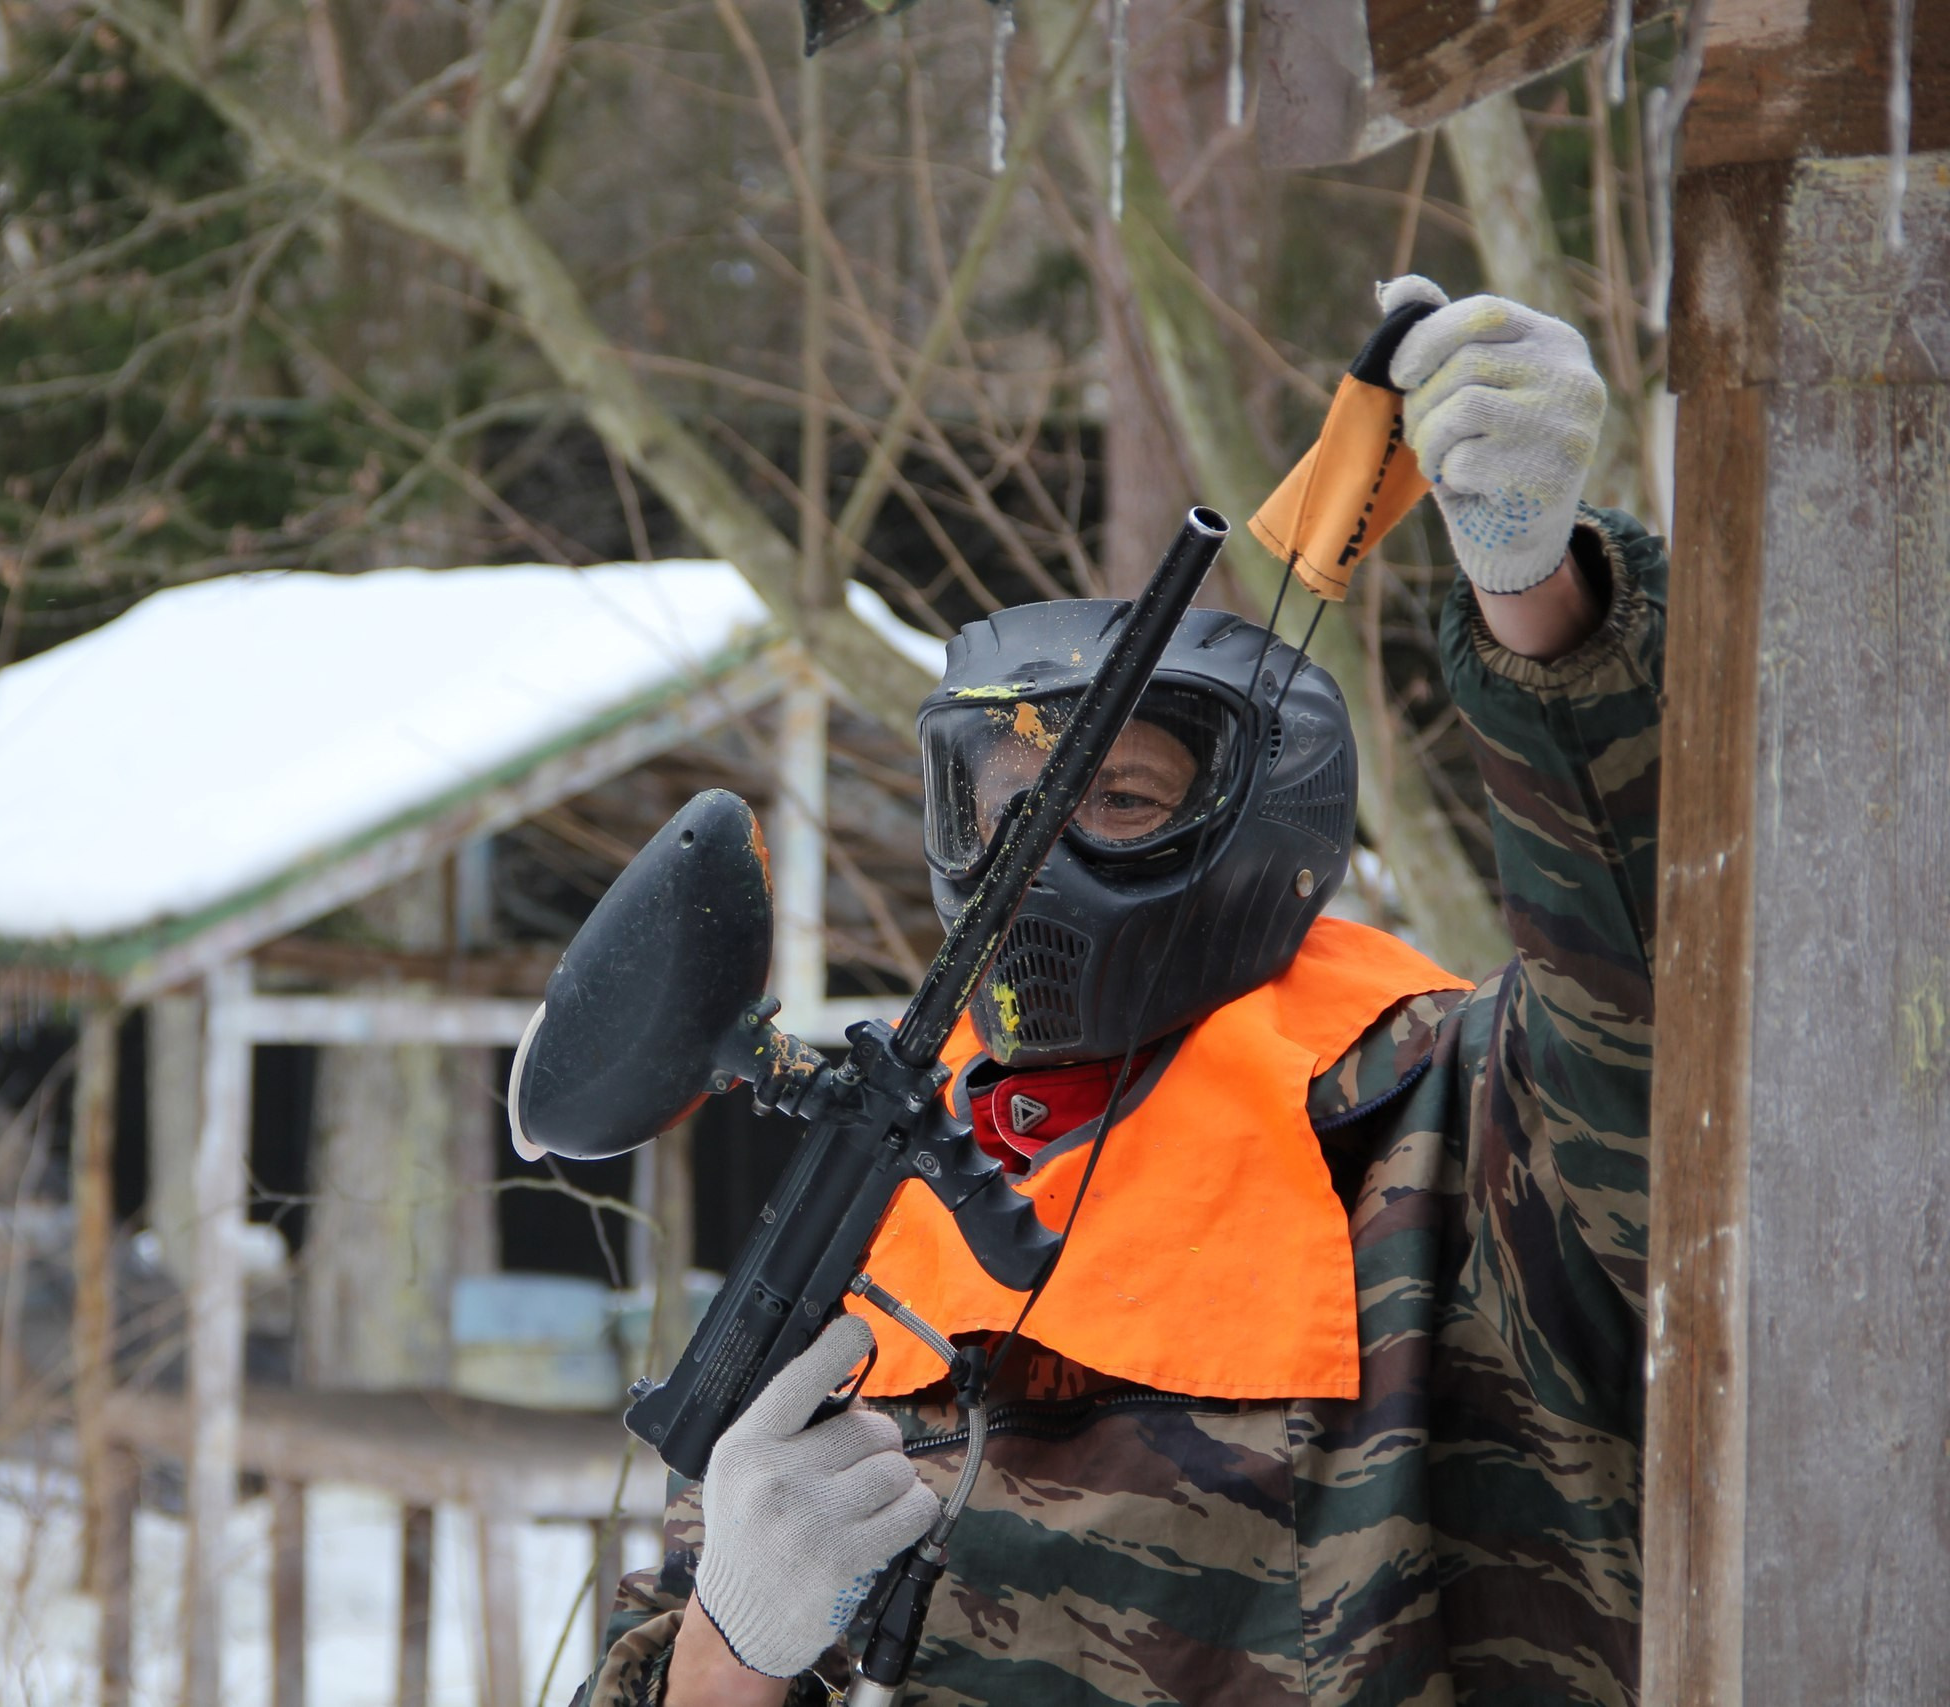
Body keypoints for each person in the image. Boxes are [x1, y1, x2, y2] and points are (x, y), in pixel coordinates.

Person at [580, 273, 1661, 1707]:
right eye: (999, 808)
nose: (1033, 860)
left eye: (1121, 799)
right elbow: (663, 1651)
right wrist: (733, 1647)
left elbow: (1654, 1007)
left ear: (1262, 820)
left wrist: (1545, 609)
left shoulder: (1442, 1123)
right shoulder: (879, 1201)